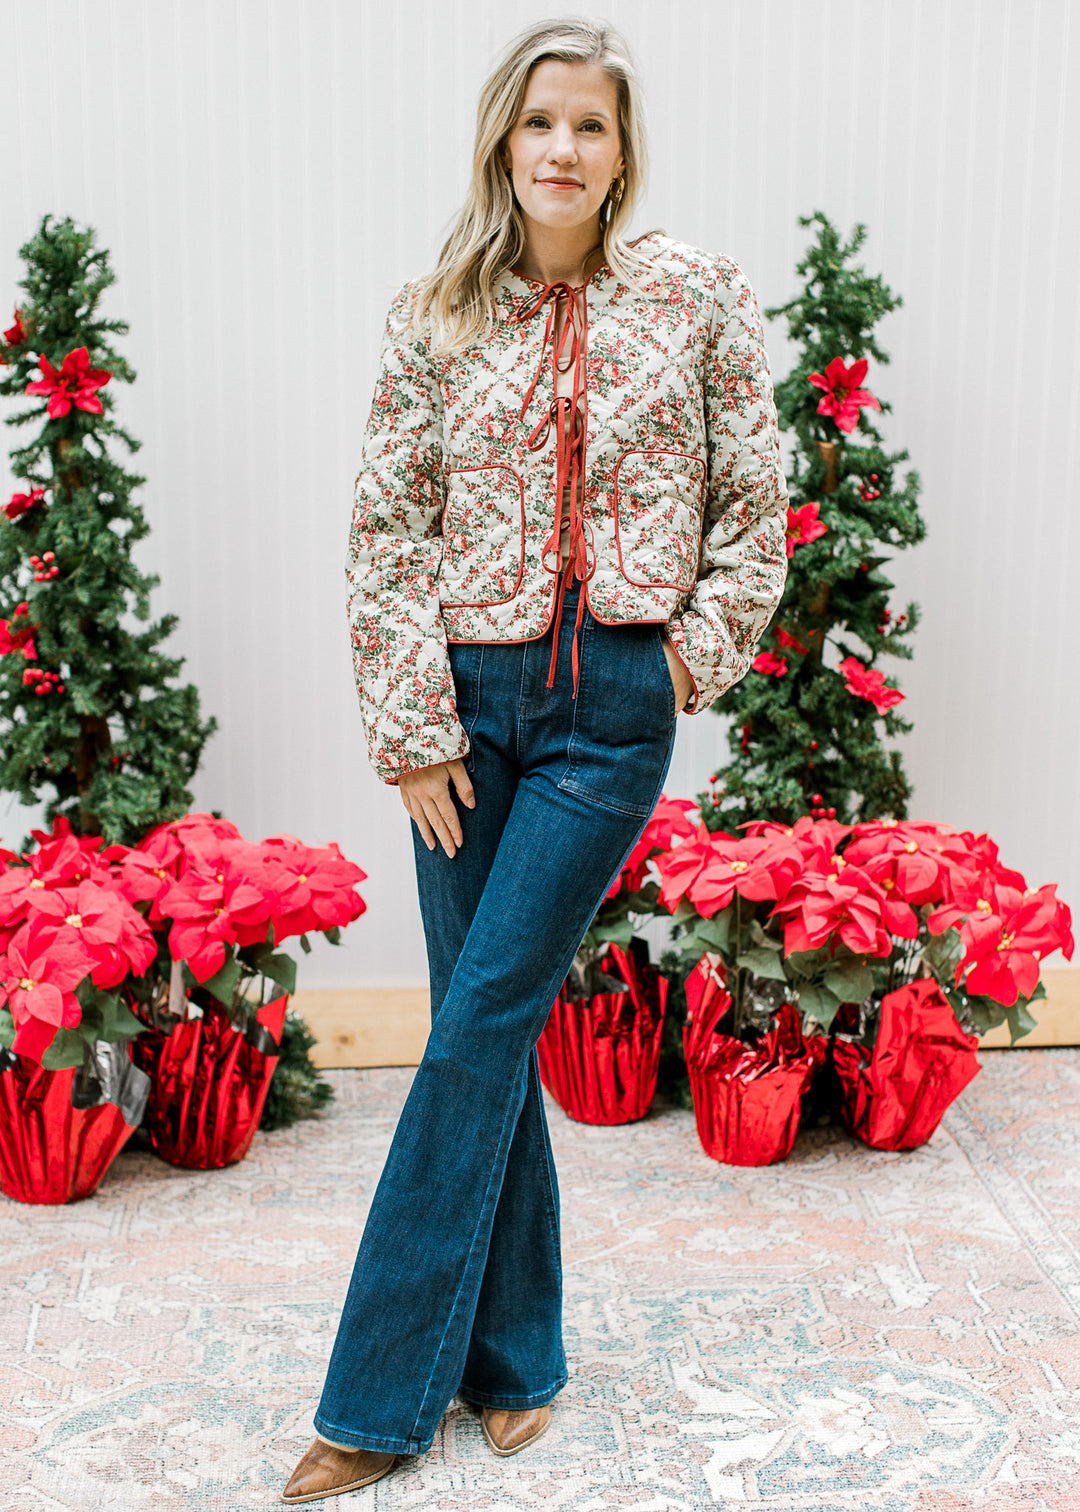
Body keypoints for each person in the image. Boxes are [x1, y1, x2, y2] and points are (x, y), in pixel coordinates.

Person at [282, 15, 788, 1504]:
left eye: (592, 127)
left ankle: (373, 1401)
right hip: (462, 710)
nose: (563, 150)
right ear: (503, 142)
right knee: (476, 1028)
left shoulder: (696, 297)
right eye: (540, 125)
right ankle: (516, 1362)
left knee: (482, 1021)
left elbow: (757, 502)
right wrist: (411, 730)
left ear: (624, 151)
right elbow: (385, 531)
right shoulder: (435, 310)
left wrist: (679, 662)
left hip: (603, 714)